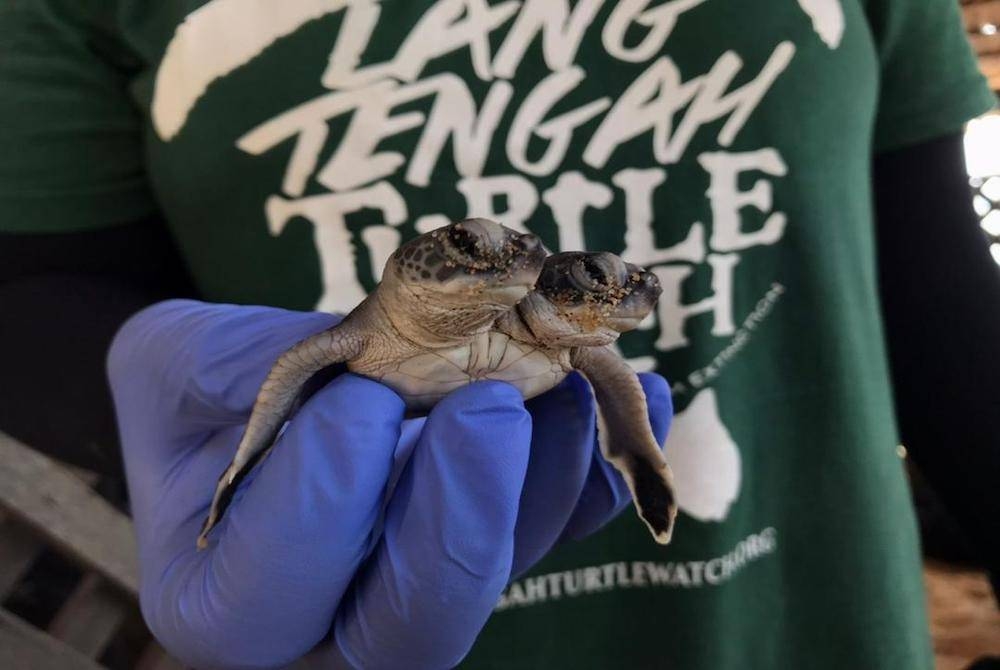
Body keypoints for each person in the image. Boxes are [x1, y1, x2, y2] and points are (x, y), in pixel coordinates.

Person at [1, 0, 998, 668]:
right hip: (357, 618)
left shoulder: (576, 339)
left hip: (807, 624)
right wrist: (154, 404)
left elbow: (939, 300)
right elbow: (38, 286)